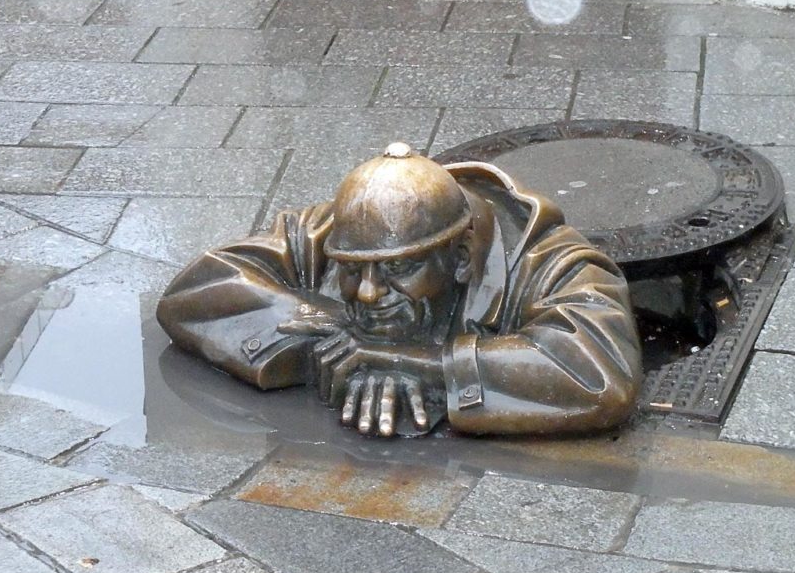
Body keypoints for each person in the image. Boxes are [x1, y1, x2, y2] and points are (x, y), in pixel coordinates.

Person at [157, 142, 642, 437]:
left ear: (458, 259)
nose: (368, 293)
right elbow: (199, 287)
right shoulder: (343, 229)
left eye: (399, 270)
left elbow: (600, 377)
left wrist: (419, 364)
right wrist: (328, 338)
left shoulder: (553, 261)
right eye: (353, 271)